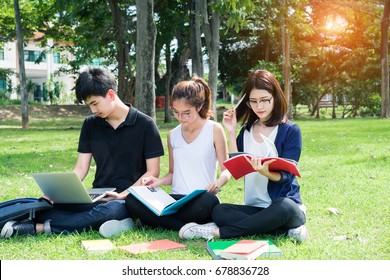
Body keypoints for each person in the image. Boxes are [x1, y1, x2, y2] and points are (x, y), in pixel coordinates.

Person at [0, 67, 164, 238]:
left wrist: (121, 195)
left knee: (112, 210)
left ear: (110, 94)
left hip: (128, 197)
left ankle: (38, 228)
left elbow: (152, 172)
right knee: (46, 205)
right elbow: (81, 168)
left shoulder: (145, 124)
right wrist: (59, 192)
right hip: (97, 195)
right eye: (89, 106)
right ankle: (110, 223)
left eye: (95, 103)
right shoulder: (90, 124)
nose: (93, 110)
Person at [179, 69, 309, 243]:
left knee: (284, 206)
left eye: (264, 100)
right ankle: (283, 230)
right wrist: (231, 131)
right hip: (255, 209)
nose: (259, 107)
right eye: (253, 102)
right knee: (220, 211)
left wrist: (266, 172)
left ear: (275, 97)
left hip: (283, 206)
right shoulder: (246, 131)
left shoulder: (290, 131)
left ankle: (217, 233)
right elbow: (237, 169)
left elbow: (287, 177)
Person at [124, 76, 231, 234]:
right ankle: (188, 228)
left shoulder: (214, 129)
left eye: (187, 113)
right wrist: (158, 181)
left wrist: (219, 182)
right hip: (175, 200)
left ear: (199, 106)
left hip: (201, 199)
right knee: (132, 199)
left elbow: (226, 170)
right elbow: (173, 173)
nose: (181, 118)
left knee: (209, 202)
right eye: (176, 112)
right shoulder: (172, 135)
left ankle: (155, 222)